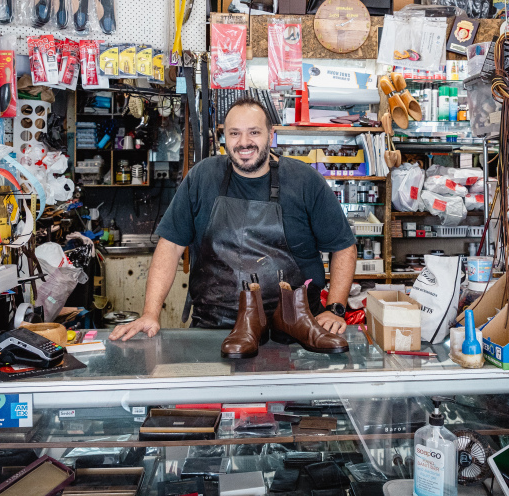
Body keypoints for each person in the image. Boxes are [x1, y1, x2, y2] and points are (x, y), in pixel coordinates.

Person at [110, 97, 357, 341]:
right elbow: (171, 246)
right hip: (216, 328)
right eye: (235, 133)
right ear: (224, 137)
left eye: (254, 132)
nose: (244, 142)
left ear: (270, 135)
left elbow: (344, 247)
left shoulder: (305, 181)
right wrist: (150, 313)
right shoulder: (202, 177)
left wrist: (335, 309)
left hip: (295, 329)